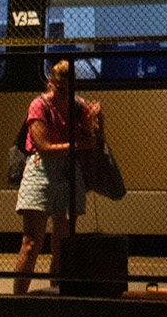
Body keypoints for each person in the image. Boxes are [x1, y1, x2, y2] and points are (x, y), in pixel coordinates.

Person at [14, 59, 103, 295]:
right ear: (50, 82)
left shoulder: (78, 105)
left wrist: (97, 119)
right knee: (32, 242)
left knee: (63, 242)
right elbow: (42, 146)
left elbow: (94, 140)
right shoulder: (39, 105)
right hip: (41, 171)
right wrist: (77, 145)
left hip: (67, 173)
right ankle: (17, 298)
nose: (63, 93)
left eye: (68, 88)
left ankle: (58, 290)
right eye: (59, 87)